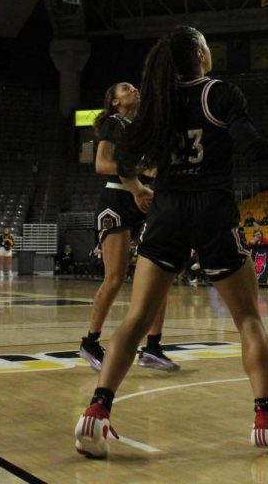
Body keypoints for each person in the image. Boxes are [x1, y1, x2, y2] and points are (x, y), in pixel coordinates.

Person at [74, 26, 268, 459]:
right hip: (211, 210)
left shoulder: (155, 102)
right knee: (247, 317)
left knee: (135, 319)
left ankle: (96, 413)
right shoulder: (220, 93)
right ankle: (266, 420)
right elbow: (256, 150)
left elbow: (121, 161)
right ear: (201, 55)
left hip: (167, 212)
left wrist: (134, 187)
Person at [80, 82, 177, 373]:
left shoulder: (140, 127)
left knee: (158, 275)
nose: (133, 89)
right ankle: (91, 342)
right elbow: (101, 164)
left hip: (144, 198)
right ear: (114, 102)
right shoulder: (114, 122)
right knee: (115, 277)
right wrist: (142, 171)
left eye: (134, 86)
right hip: (118, 198)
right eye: (125, 88)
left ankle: (153, 347)